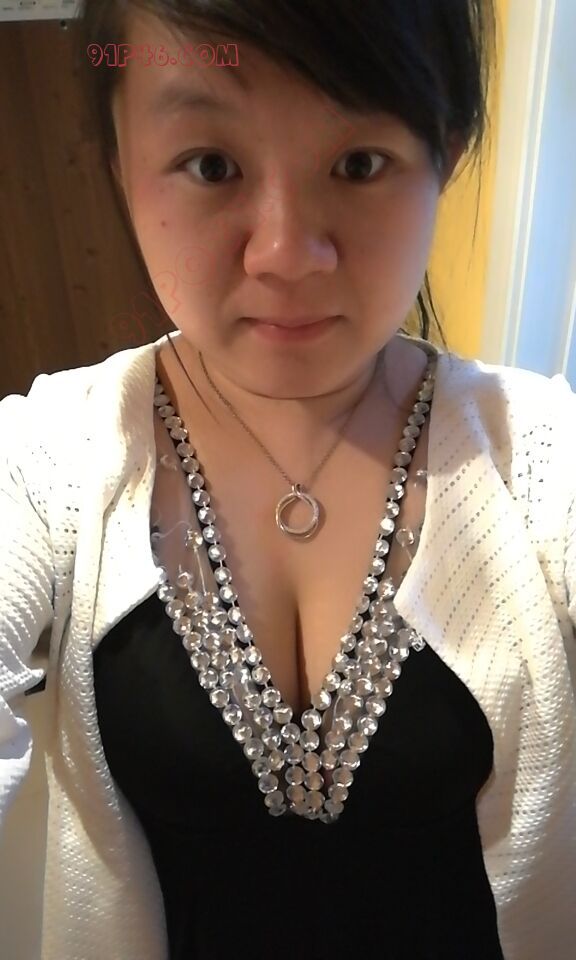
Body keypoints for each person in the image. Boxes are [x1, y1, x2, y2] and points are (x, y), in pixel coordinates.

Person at [1, 1, 576, 958]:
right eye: (211, 165)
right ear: (120, 159)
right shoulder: (49, 459)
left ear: (445, 153)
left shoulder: (541, 455)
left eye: (359, 164)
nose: (286, 254)